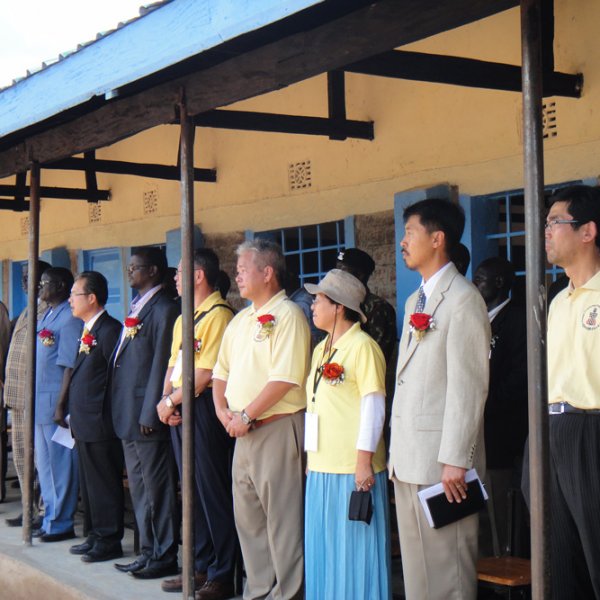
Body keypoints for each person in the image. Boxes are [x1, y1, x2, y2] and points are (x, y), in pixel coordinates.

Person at [389, 198, 490, 600]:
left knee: (448, 573)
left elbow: (469, 386)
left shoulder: (463, 299)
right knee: (418, 574)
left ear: (437, 239)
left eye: (410, 232)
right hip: (409, 456)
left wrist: (456, 459)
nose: (402, 242)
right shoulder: (416, 300)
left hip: (443, 464)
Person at [213, 239, 310, 600]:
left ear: (267, 273)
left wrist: (246, 414)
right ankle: (258, 591)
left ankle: (287, 594)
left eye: (243, 270)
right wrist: (222, 410)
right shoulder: (241, 319)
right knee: (249, 521)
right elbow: (220, 372)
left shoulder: (289, 315)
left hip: (276, 427)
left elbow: (285, 379)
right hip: (242, 431)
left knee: (283, 521)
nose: (237, 276)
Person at [304, 269, 391, 599]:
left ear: (339, 306)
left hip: (352, 469)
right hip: (321, 466)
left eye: (319, 300)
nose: (313, 306)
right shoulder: (321, 349)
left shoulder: (363, 347)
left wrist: (363, 461)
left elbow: (373, 406)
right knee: (325, 549)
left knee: (354, 554)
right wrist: (310, 457)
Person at [157, 249, 237, 598]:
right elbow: (173, 366)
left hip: (203, 407)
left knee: (212, 492)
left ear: (199, 275)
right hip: (180, 406)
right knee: (191, 491)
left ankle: (223, 572)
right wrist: (166, 400)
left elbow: (205, 374)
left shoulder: (218, 315)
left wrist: (170, 401)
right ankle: (200, 566)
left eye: (179, 272)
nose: (175, 278)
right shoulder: (184, 318)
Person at [544, 184, 600, 599]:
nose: (546, 231)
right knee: (562, 560)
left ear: (588, 231)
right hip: (555, 427)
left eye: (555, 222)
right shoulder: (558, 300)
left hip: (592, 428)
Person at [110, 247, 180, 579]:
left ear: (153, 271)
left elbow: (161, 363)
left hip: (146, 414)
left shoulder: (164, 308)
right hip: (128, 412)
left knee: (157, 489)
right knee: (140, 490)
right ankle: (148, 551)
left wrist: (152, 411)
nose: (129, 271)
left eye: (135, 267)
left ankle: (164, 555)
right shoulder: (139, 305)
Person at [54, 271, 124, 562]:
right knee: (90, 483)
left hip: (100, 420)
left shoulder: (110, 330)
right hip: (83, 421)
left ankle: (109, 540)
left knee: (104, 482)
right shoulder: (88, 329)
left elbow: (115, 379)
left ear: (92, 298)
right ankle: (95, 534)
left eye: (75, 294)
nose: (70, 300)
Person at [473, 257, 528, 556]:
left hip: (501, 432)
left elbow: (520, 377)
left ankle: (504, 563)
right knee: (476, 512)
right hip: (475, 431)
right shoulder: (476, 317)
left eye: (479, 279)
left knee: (500, 508)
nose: (474, 284)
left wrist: (483, 405)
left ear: (498, 283)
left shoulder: (518, 320)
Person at [35, 267, 83, 542]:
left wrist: (61, 405)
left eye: (45, 283)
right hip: (40, 402)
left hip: (55, 404)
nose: (40, 287)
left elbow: (69, 365)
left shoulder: (69, 318)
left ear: (62, 286)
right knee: (45, 466)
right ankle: (50, 517)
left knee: (60, 465)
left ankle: (61, 522)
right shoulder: (48, 314)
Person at [4, 260, 50, 527]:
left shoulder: (49, 310)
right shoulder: (27, 310)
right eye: (22, 276)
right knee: (23, 457)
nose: (25, 281)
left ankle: (42, 510)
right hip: (18, 397)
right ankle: (28, 506)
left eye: (30, 275)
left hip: (35, 396)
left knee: (39, 459)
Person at [336, 248, 397, 364]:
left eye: (343, 271)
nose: (337, 275)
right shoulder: (336, 302)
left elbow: (376, 356)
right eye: (336, 269)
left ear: (360, 275)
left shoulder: (379, 308)